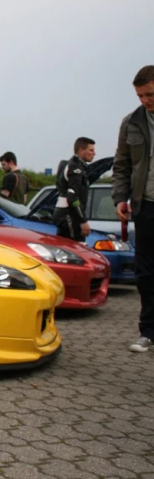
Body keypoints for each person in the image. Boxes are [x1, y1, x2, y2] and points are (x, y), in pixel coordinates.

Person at [111, 64, 154, 353]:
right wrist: (119, 198)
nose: (145, 100)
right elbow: (122, 166)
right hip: (146, 206)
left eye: (149, 94)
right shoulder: (131, 122)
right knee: (146, 273)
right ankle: (148, 332)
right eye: (140, 96)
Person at [53, 137, 95, 243]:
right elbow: (73, 197)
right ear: (81, 150)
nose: (94, 153)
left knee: (64, 248)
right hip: (68, 214)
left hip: (66, 213)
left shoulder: (75, 165)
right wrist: (83, 220)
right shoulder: (75, 167)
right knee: (76, 249)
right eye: (91, 150)